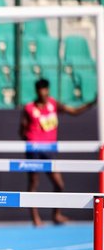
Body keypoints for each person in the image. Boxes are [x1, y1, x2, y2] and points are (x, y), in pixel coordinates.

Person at [20, 78, 95, 226]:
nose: (44, 92)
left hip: (49, 151)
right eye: (41, 90)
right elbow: (21, 130)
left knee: (59, 183)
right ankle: (35, 218)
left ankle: (56, 214)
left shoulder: (53, 104)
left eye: (46, 89)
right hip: (34, 151)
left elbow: (73, 111)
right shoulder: (29, 108)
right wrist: (32, 139)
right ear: (37, 91)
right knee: (34, 182)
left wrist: (91, 103)